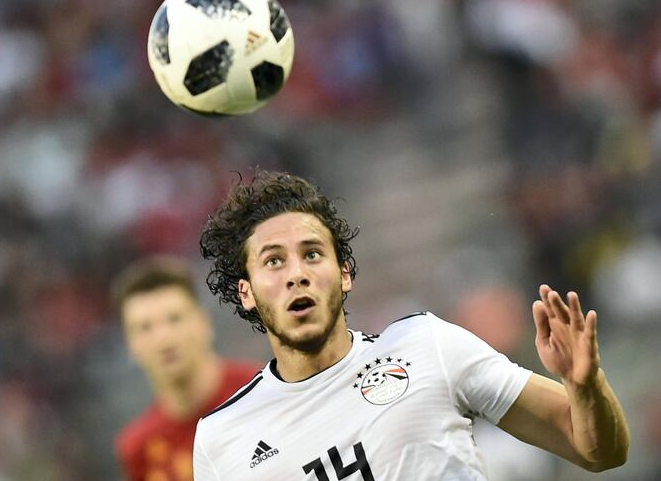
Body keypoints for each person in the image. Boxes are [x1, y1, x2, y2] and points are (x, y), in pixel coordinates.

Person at [193, 170, 630, 480]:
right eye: (274, 261)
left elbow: (597, 451)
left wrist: (586, 387)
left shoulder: (426, 346)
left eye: (312, 253)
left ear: (345, 273)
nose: (297, 274)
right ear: (246, 292)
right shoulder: (222, 440)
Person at [112, 256, 259, 481]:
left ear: (204, 324)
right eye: (145, 328)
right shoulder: (138, 449)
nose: (163, 338)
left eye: (174, 319)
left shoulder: (262, 393)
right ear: (131, 345)